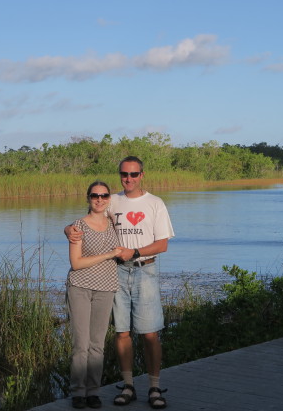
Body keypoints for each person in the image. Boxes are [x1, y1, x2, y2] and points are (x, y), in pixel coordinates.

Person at [66, 156, 175, 409]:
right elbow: (86, 218)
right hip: (115, 273)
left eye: (134, 174)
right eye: (124, 174)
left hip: (144, 270)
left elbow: (163, 244)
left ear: (142, 175)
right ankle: (128, 386)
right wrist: (67, 229)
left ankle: (155, 387)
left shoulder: (155, 203)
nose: (128, 179)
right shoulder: (112, 200)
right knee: (122, 332)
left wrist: (135, 252)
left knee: (149, 333)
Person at [66, 181, 123, 409]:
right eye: (94, 196)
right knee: (81, 344)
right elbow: (76, 263)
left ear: (109, 198)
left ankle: (93, 391)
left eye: (104, 195)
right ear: (88, 198)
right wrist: (110, 254)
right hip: (80, 287)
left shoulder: (113, 223)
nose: (99, 199)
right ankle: (78, 392)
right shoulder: (78, 226)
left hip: (106, 287)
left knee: (97, 344)